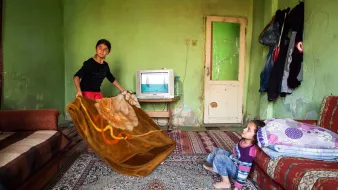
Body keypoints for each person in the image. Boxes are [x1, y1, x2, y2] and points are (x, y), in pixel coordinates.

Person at [203, 120, 265, 189]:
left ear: (255, 137)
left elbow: (244, 171)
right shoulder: (243, 140)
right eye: (246, 127)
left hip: (237, 171)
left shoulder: (249, 152)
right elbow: (236, 153)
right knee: (217, 150)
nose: (244, 129)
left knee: (219, 158)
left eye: (248, 130)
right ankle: (215, 168)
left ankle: (226, 183)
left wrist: (237, 187)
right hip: (234, 159)